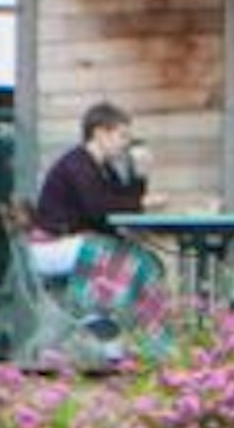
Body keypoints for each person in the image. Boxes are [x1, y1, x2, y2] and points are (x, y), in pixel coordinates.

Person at [24, 100, 159, 327]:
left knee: (144, 259)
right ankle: (95, 314)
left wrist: (140, 176)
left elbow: (121, 202)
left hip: (73, 241)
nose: (125, 144)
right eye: (122, 136)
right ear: (99, 133)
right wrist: (142, 203)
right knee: (120, 256)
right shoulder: (77, 164)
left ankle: (126, 320)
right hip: (50, 244)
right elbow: (100, 209)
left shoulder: (103, 168)